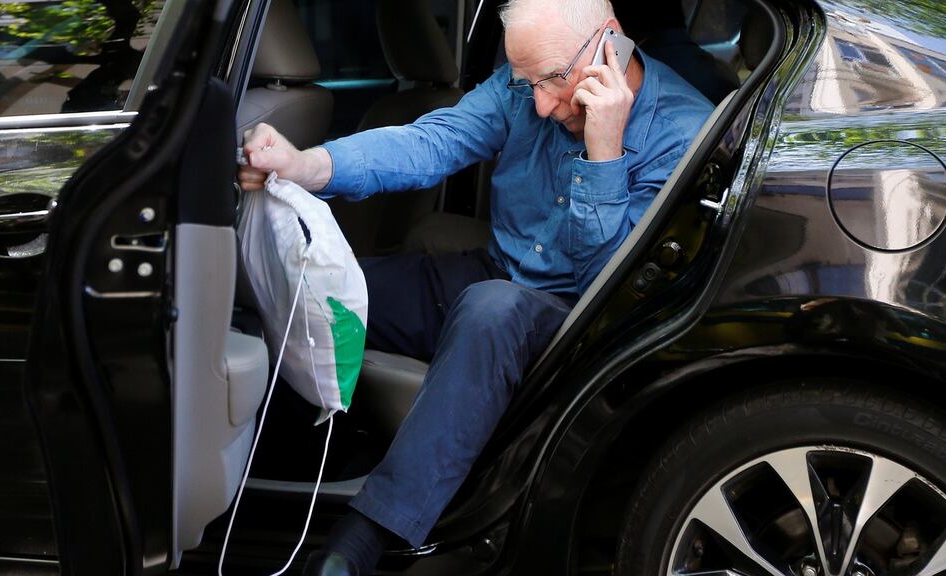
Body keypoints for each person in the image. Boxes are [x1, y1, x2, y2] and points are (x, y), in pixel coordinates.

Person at [237, 1, 713, 574]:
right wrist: (303, 163)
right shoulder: (528, 89)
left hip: (576, 317)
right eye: (526, 82)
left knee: (492, 308)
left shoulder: (684, 131)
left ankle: (362, 539)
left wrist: (603, 151)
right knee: (315, 287)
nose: (538, 102)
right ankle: (281, 474)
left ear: (609, 42)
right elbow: (431, 143)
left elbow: (608, 284)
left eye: (554, 80)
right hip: (492, 274)